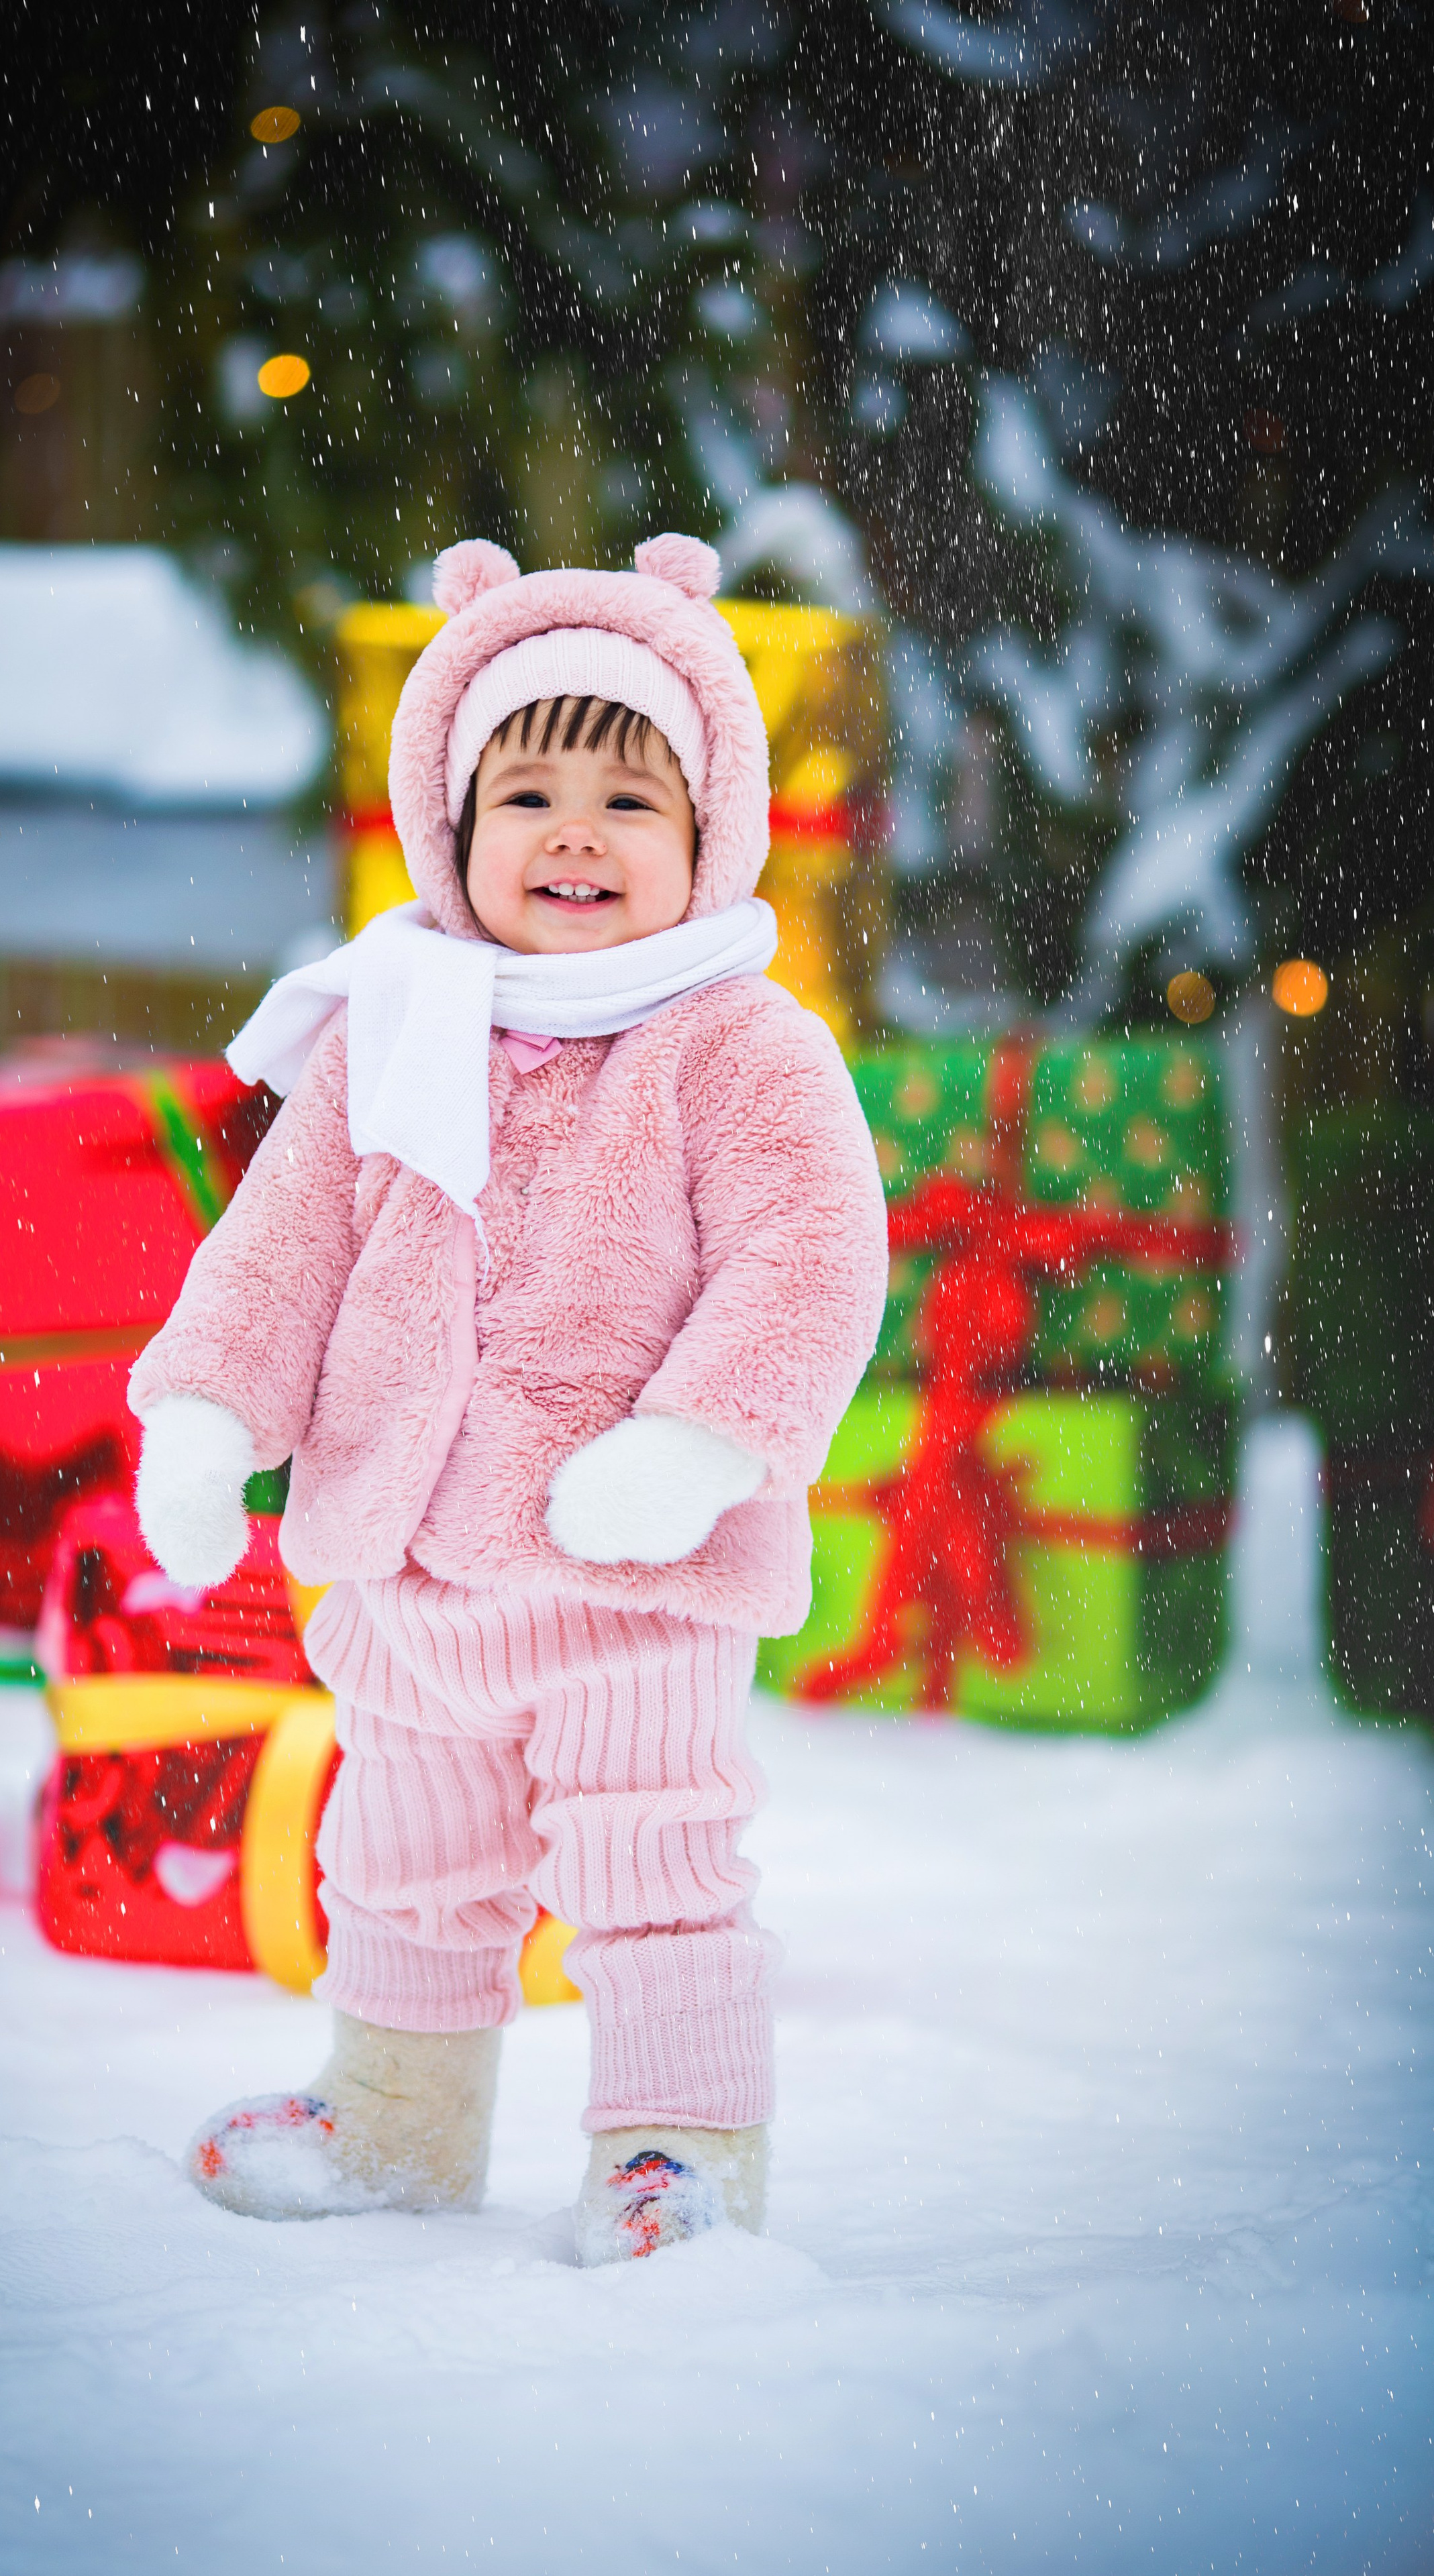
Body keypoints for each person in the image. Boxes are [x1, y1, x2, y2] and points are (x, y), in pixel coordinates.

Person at [129, 533, 888, 2263]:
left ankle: (677, 2149)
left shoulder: (738, 1041)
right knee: (399, 1866)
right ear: (449, 826)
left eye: (629, 802)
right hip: (406, 1575)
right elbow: (283, 1246)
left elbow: (809, 1258)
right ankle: (396, 2124)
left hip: (628, 1583)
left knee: (654, 1874)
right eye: (525, 793)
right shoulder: (397, 1021)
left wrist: (701, 1444)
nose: (573, 835)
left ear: (711, 835)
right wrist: (208, 1414)